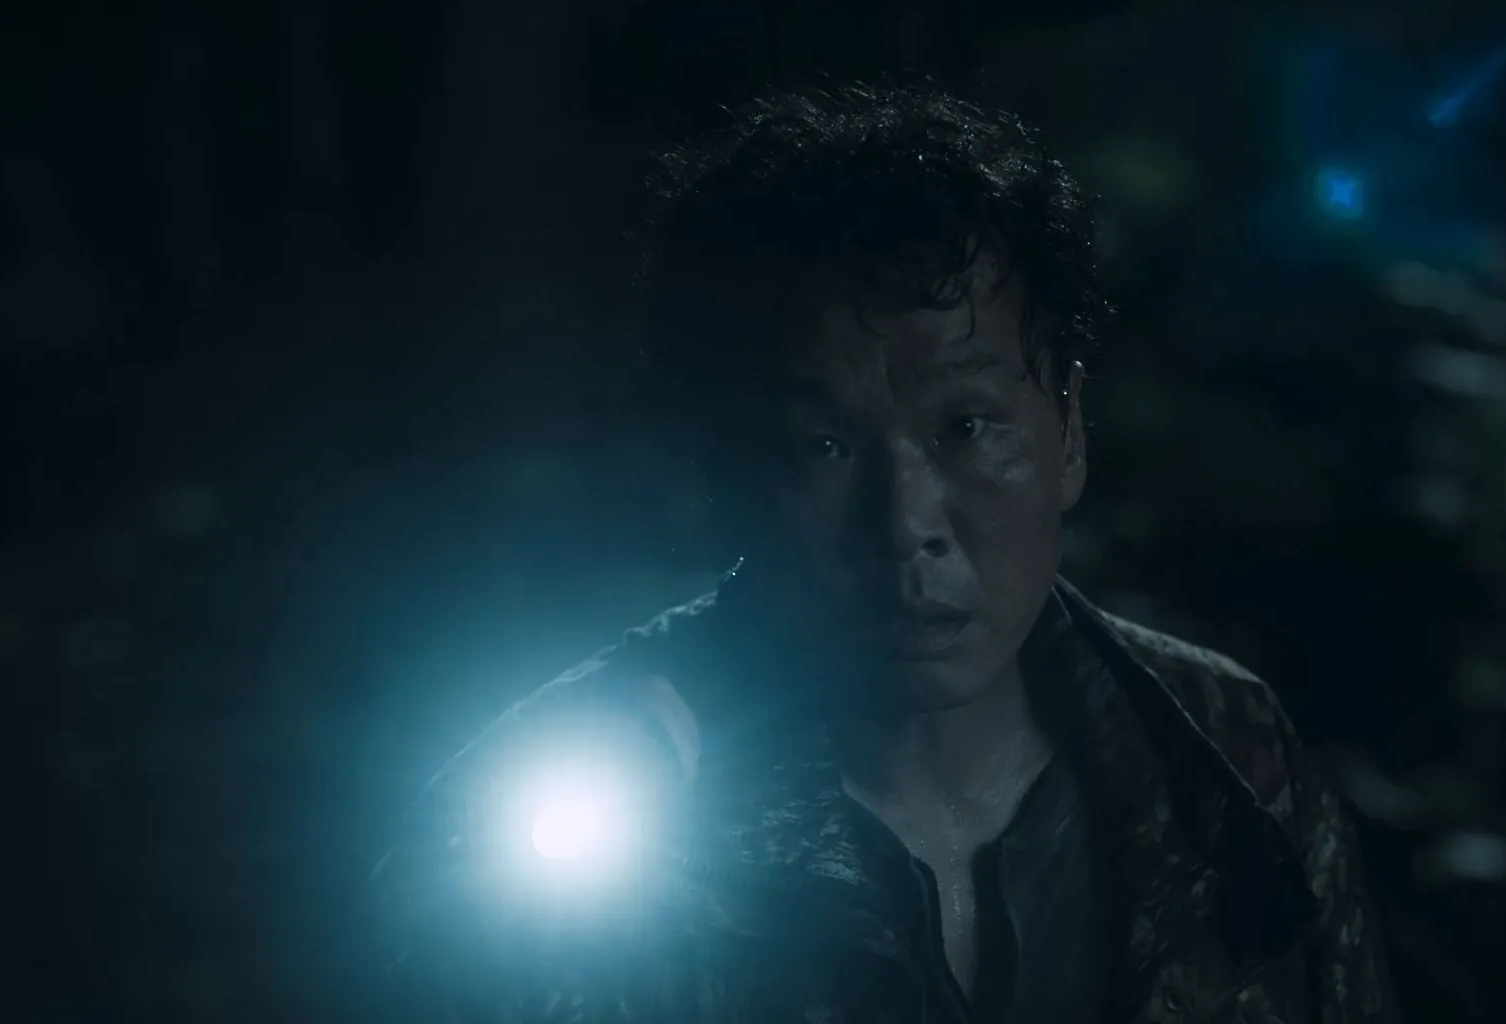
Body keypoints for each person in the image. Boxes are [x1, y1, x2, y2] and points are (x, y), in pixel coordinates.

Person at [372, 81, 1399, 1023]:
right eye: (818, 446)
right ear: (723, 475)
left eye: (967, 427)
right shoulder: (552, 822)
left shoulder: (1223, 754)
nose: (906, 521)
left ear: (1070, 430)